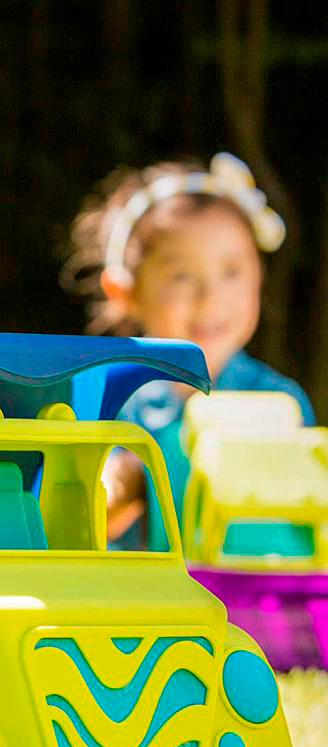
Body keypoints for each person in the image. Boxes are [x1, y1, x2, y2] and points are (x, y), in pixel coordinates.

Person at [63, 152, 315, 547]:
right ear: (125, 292)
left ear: (259, 276)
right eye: (182, 276)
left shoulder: (282, 401)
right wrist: (122, 488)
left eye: (232, 271)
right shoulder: (109, 407)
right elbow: (72, 526)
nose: (211, 297)